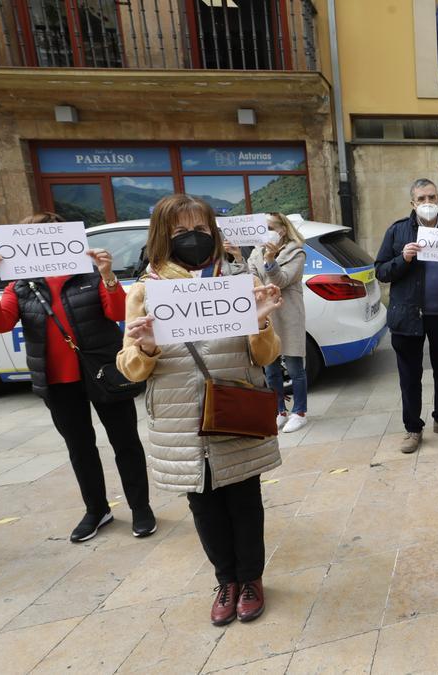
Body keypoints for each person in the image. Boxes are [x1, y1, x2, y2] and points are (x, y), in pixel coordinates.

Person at [117, 194, 284, 626]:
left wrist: (263, 321)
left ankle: (251, 580)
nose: (192, 238)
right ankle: (225, 580)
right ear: (162, 237)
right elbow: (131, 369)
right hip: (181, 422)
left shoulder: (236, 281)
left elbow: (265, 357)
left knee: (246, 500)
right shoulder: (144, 291)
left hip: (234, 410)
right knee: (204, 504)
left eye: (200, 229)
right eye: (179, 232)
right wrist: (147, 347)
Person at [0, 212, 154, 544]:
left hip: (102, 372)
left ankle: (141, 507)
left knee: (125, 441)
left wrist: (108, 275)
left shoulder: (89, 274)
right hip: (57, 379)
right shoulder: (20, 284)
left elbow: (118, 313)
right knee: (79, 446)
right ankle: (96, 509)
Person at [375, 178, 438, 453]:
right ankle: (412, 429)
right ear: (412, 203)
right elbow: (381, 270)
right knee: (410, 374)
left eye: (432, 197)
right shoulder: (398, 232)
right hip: (408, 315)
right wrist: (402, 259)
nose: (427, 204)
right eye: (421, 199)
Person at [248, 213, 308, 433]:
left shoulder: (297, 252)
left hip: (288, 312)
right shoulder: (256, 251)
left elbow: (281, 280)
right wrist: (237, 256)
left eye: (269, 226)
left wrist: (271, 260)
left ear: (282, 229)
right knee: (270, 368)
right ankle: (279, 411)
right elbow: (252, 277)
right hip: (266, 313)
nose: (264, 230)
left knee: (294, 367)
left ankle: (300, 412)